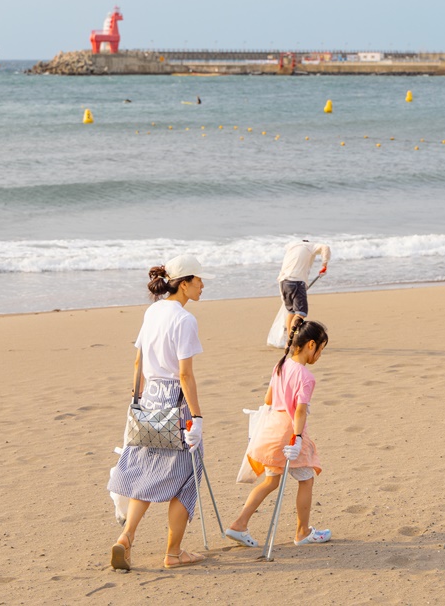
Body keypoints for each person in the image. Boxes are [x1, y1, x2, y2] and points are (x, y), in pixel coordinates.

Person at [107, 254, 212, 571]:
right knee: (188, 476)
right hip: (174, 405)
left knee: (146, 472)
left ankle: (126, 537)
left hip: (148, 401)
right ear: (184, 283)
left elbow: (138, 363)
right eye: (198, 280)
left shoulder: (153, 311)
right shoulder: (184, 320)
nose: (203, 285)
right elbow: (185, 376)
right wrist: (197, 418)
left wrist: (136, 401)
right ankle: (174, 553)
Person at [226, 320, 332, 548]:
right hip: (290, 433)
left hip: (271, 429)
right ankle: (302, 532)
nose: (320, 355)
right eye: (321, 349)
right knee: (306, 479)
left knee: (271, 482)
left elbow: (268, 399)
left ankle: (239, 524)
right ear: (311, 345)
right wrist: (299, 439)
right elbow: (300, 411)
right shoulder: (306, 376)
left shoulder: (281, 365)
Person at [278, 239, 330, 335]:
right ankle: (294, 340)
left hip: (283, 282)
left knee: (291, 312)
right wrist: (324, 265)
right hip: (297, 282)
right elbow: (325, 247)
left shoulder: (292, 246)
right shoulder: (310, 246)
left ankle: (289, 341)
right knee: (301, 313)